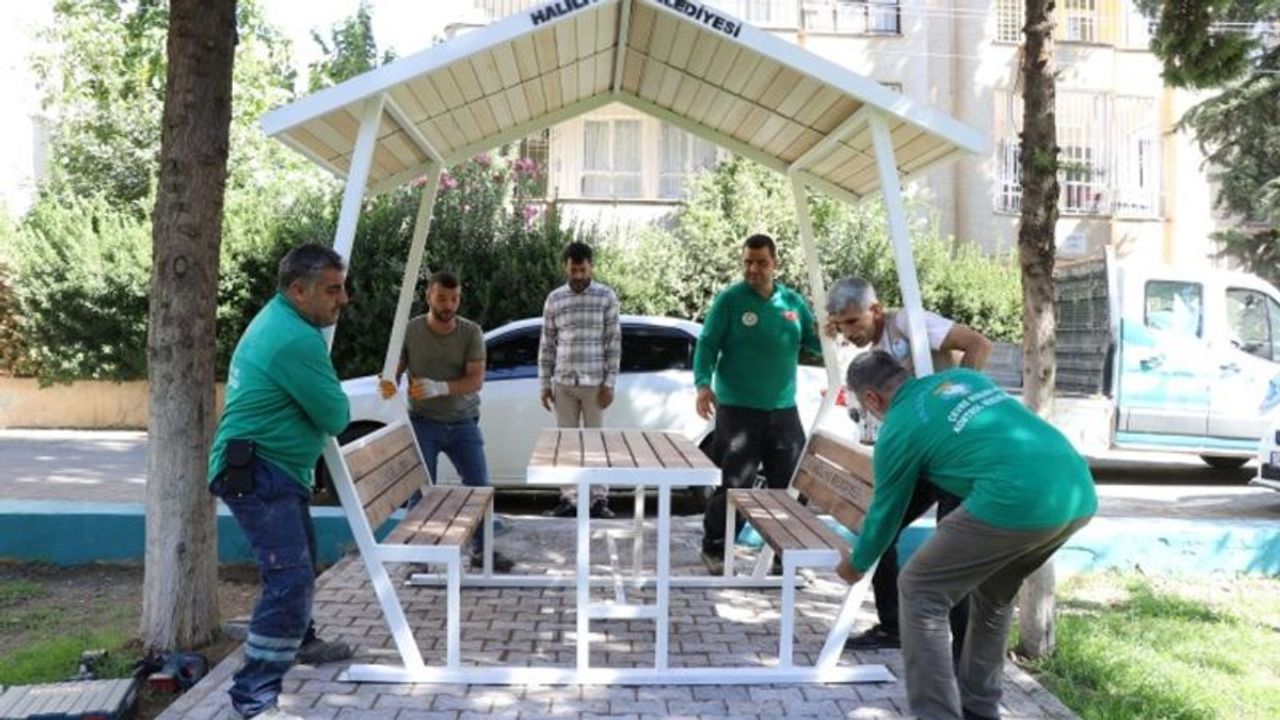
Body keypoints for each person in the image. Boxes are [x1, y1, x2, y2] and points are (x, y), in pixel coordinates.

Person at [844, 351, 1096, 720]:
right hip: (1077, 493)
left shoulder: (897, 427)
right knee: (993, 596)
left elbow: (885, 513)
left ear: (871, 398)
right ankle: (979, 709)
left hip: (1013, 498)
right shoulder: (965, 379)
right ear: (904, 373)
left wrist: (855, 563)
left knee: (919, 589)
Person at [207, 243, 356, 720]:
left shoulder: (283, 320)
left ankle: (300, 640)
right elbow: (336, 415)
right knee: (289, 581)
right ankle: (254, 698)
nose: (343, 299)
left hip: (267, 469)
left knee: (297, 568)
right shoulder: (295, 338)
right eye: (332, 290)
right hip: (259, 472)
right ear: (298, 291)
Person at [826, 276, 992, 651]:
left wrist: (955, 399)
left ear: (876, 310)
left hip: (954, 454)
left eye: (852, 322)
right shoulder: (875, 345)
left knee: (953, 551)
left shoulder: (908, 323)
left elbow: (979, 344)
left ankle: (963, 656)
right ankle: (892, 627)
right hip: (923, 458)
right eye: (840, 326)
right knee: (879, 531)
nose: (848, 333)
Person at [693, 233, 822, 574]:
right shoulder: (730, 300)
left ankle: (787, 556)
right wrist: (703, 385)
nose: (753, 269)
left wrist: (835, 339)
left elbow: (815, 342)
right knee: (735, 486)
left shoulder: (792, 303)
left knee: (792, 486)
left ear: (775, 263)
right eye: (748, 262)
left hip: (783, 410)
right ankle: (715, 547)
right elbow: (707, 344)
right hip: (738, 410)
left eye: (761, 262)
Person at [378, 271, 515, 572]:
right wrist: (387, 383)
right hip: (423, 421)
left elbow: (476, 380)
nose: (448, 305)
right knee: (420, 489)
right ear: (428, 296)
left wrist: (440, 387)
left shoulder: (471, 332)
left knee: (479, 487)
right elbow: (393, 372)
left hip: (463, 421)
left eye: (454, 299)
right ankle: (417, 557)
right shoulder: (411, 330)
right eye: (441, 298)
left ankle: (483, 550)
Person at [538, 241, 622, 519]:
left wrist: (610, 383)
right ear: (566, 267)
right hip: (563, 383)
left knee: (596, 443)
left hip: (595, 383)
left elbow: (613, 342)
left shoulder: (606, 297)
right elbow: (547, 343)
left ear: (591, 267)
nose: (577, 275)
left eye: (582, 270)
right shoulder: (555, 299)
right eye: (573, 270)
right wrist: (544, 384)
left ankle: (599, 499)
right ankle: (569, 498)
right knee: (567, 443)